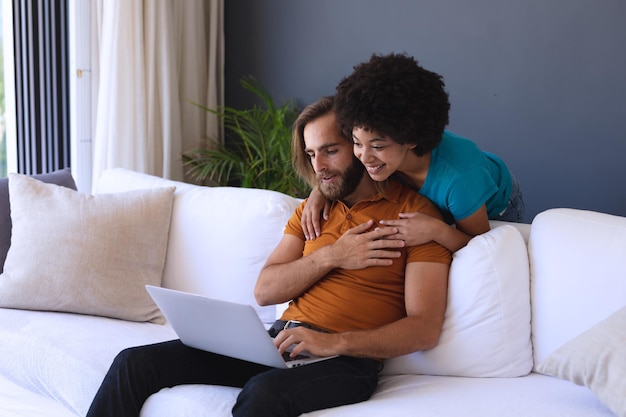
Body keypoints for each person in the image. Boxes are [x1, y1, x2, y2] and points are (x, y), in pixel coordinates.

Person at [85, 96, 451, 417]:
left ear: (357, 145)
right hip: (277, 342)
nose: (319, 166)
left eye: (330, 150)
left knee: (263, 393)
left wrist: (334, 343)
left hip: (347, 361)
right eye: (311, 154)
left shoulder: (413, 217)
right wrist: (332, 256)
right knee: (134, 363)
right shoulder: (313, 212)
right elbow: (265, 290)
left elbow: (424, 328)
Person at [302, 53, 525, 253]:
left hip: (497, 200)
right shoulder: (374, 155)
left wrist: (437, 231)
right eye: (356, 143)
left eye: (378, 146)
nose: (364, 157)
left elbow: (480, 246)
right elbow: (342, 168)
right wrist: (318, 193)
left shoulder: (460, 180)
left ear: (410, 139)